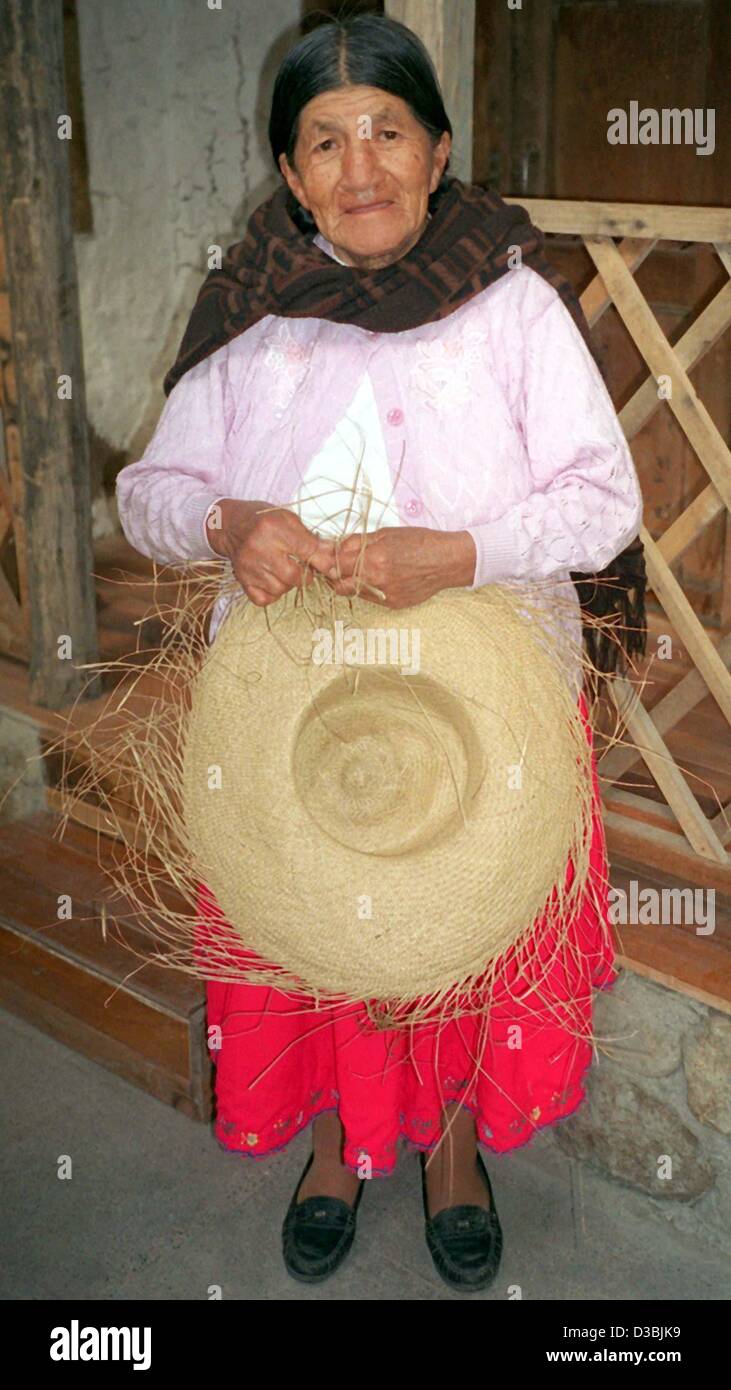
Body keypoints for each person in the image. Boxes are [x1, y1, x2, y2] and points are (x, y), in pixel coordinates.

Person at [115, 12, 644, 1293]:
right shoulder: (253, 310)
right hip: (295, 725)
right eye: (324, 141)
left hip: (487, 713)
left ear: (438, 146)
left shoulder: (512, 304)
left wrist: (454, 555)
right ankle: (340, 1150)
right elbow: (146, 491)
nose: (360, 168)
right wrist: (227, 520)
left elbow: (602, 501)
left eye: (387, 131)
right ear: (290, 176)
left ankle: (453, 1148)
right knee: (315, 935)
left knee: (460, 926)